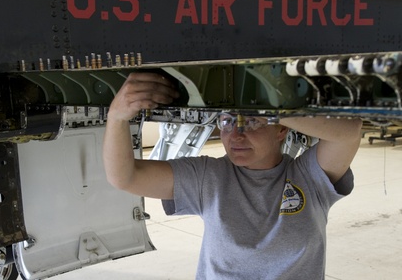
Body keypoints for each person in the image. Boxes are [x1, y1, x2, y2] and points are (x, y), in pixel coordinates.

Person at [102, 72, 362, 279]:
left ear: (282, 130)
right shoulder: (209, 176)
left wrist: (271, 108)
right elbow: (126, 177)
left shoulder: (308, 177)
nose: (236, 135)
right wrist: (116, 117)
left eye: (251, 122)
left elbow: (349, 132)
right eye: (227, 121)